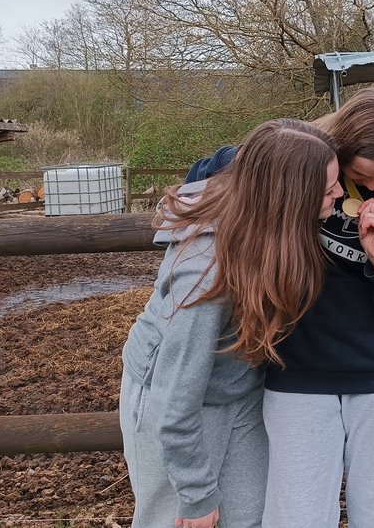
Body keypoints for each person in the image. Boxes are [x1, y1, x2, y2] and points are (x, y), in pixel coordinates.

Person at [184, 87, 374, 528]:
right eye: (361, 172)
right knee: (296, 517)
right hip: (298, 375)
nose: (373, 185)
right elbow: (207, 176)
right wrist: (265, 156)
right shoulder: (305, 168)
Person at [119, 118, 343, 528]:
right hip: (174, 401)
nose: (340, 194)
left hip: (238, 389)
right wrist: (195, 495)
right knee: (174, 520)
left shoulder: (273, 230)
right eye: (328, 189)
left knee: (249, 515)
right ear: (289, 196)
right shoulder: (205, 274)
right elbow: (175, 399)